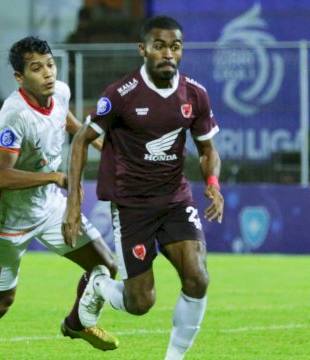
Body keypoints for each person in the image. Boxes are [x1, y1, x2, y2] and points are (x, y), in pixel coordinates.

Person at [63, 15, 225, 360]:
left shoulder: (195, 95)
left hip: (175, 200)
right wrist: (73, 203)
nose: (168, 53)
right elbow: (80, 141)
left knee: (198, 278)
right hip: (132, 206)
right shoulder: (121, 94)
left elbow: (208, 150)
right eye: (160, 46)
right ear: (144, 49)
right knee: (140, 303)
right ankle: (100, 285)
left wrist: (212, 183)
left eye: (175, 46)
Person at [0, 36, 119, 360]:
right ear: (19, 77)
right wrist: (55, 177)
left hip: (50, 206)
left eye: (50, 64)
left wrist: (101, 145)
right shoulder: (14, 116)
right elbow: (0, 176)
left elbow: (66, 120)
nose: (47, 73)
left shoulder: (60, 91)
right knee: (0, 302)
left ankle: (76, 322)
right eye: (36, 68)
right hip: (9, 219)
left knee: (105, 265)